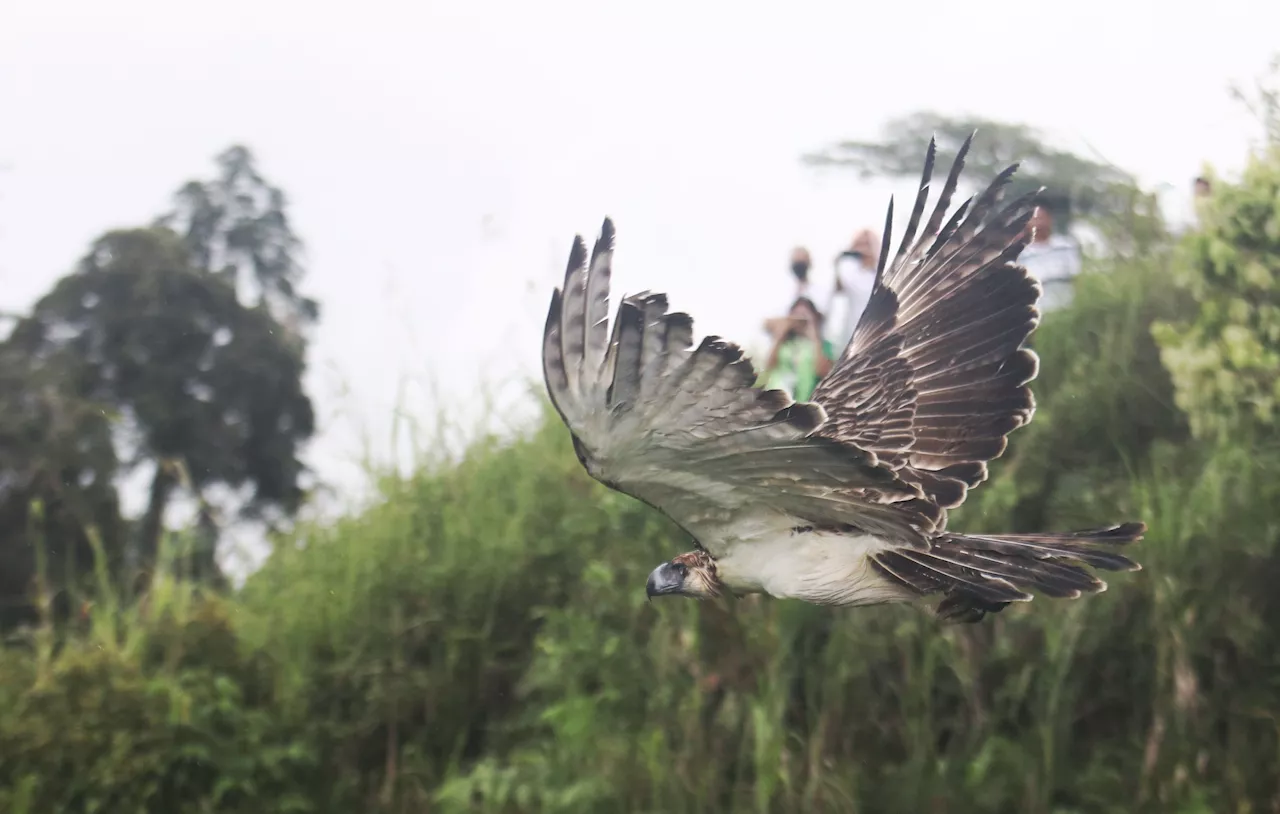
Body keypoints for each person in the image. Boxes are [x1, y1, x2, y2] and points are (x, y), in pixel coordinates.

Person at [761, 297, 836, 401]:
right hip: (778, 403)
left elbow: (825, 373)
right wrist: (780, 335)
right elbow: (768, 367)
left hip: (807, 404)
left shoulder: (824, 345)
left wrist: (815, 337)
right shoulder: (784, 343)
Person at [1017, 205, 1081, 312]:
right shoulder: (1021, 253)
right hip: (1038, 312)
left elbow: (1077, 278)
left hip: (1068, 310)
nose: (1038, 222)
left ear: (1050, 219)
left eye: (1042, 217)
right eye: (1034, 218)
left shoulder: (1066, 246)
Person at [826, 229, 878, 353]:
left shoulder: (880, 275)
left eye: (866, 244)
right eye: (859, 244)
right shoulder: (850, 270)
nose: (863, 248)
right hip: (851, 336)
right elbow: (838, 288)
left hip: (875, 333)